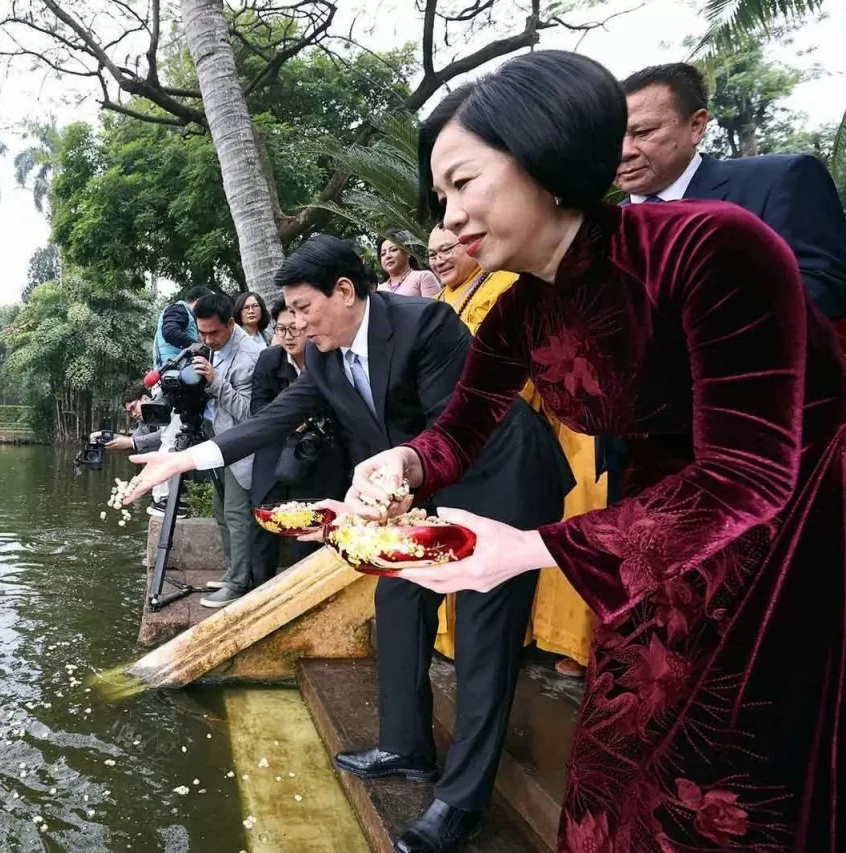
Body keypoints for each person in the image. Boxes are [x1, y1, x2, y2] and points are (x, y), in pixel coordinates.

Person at [346, 50, 846, 852]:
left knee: (729, 782)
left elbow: (751, 472)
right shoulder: (519, 313)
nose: (447, 222)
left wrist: (529, 546)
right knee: (613, 763)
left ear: (542, 153)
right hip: (652, 532)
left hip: (791, 526)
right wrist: (402, 463)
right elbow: (461, 429)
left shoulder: (708, 243)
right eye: (440, 200)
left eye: (465, 183)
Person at [121, 235, 573, 851]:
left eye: (303, 309)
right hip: (418, 487)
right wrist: (177, 462)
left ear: (344, 291)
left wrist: (379, 498)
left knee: (482, 640)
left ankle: (460, 803)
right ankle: (407, 747)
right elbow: (272, 420)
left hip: (501, 482)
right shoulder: (328, 361)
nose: (294, 324)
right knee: (398, 604)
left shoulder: (426, 325)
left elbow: (457, 428)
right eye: (288, 314)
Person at [428, 224, 603, 678]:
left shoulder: (509, 285)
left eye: (447, 248)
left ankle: (577, 646)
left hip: (534, 427)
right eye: (430, 254)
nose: (440, 259)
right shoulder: (444, 301)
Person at [617, 62, 846, 321]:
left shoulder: (781, 181)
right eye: (611, 137)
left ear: (696, 126)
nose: (624, 151)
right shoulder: (596, 230)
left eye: (643, 132)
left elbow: (823, 289)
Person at [249, 296, 351, 581]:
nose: (288, 337)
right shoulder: (269, 359)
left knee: (308, 528)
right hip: (276, 446)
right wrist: (290, 420)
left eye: (294, 329)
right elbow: (257, 407)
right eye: (281, 330)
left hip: (320, 451)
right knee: (262, 520)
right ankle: (258, 592)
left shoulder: (331, 356)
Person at [191, 291, 268, 607]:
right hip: (217, 439)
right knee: (221, 512)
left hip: (240, 446)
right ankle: (234, 572)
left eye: (214, 333)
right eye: (202, 332)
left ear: (231, 324)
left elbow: (252, 413)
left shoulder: (250, 357)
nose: (208, 340)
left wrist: (215, 381)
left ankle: (238, 584)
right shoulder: (211, 347)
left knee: (237, 515)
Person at [149, 285, 215, 516]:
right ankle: (162, 498)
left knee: (178, 436)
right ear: (198, 302)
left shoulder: (180, 312)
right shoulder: (180, 310)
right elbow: (170, 332)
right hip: (174, 384)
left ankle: (170, 494)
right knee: (171, 438)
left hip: (177, 382)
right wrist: (198, 346)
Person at [378, 232, 442, 298]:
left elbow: (435, 307)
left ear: (407, 252)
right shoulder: (379, 289)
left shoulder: (423, 277)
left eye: (393, 250)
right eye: (383, 254)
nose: (388, 256)